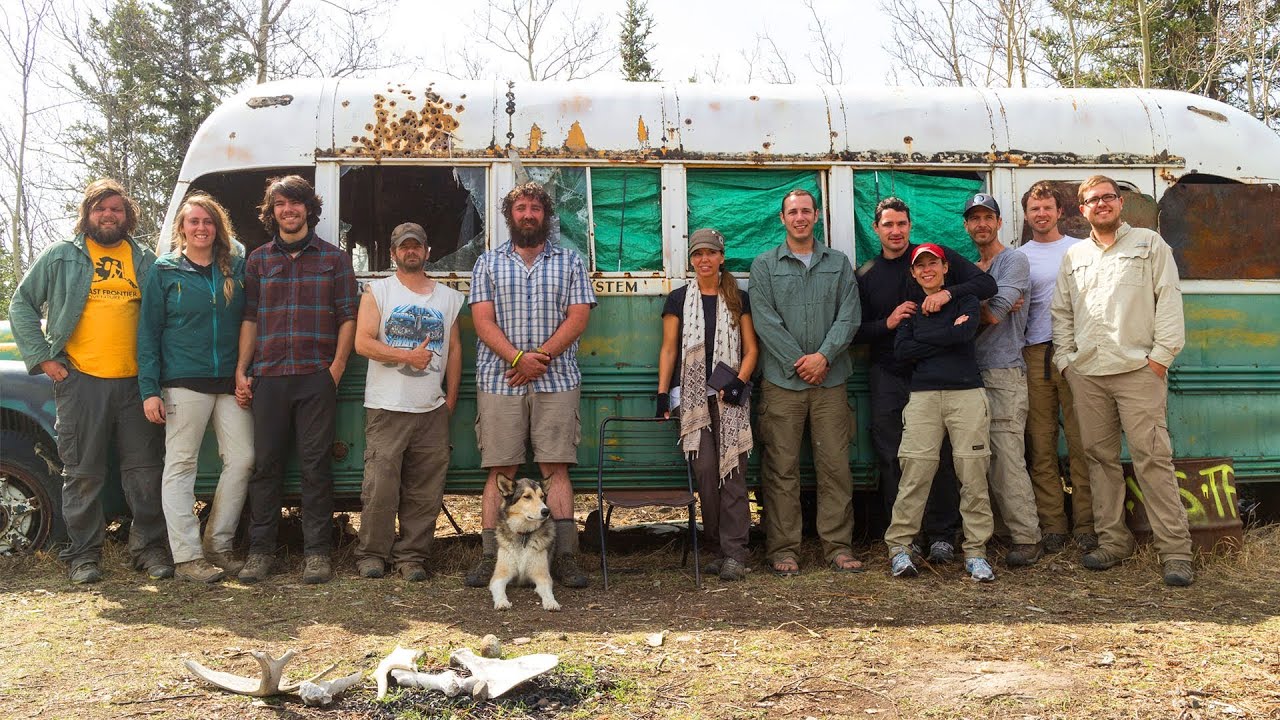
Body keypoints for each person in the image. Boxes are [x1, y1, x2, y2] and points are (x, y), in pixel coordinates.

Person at [9, 179, 171, 584]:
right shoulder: (62, 256)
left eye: (116, 208)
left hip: (137, 383)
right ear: (88, 214)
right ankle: (83, 556)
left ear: (127, 215)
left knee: (144, 471)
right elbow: (22, 303)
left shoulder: (145, 259)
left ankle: (149, 550)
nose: (109, 215)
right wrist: (43, 357)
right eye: (101, 208)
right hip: (81, 380)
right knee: (82, 472)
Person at [1051, 175, 1194, 587]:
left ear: (1120, 203)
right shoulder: (1075, 256)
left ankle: (1176, 552)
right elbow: (1062, 312)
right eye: (1092, 200)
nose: (1101, 204)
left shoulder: (1150, 245)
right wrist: (1066, 361)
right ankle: (1114, 542)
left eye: (1108, 197)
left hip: (1137, 372)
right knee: (1099, 460)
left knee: (1152, 459)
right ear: (1082, 210)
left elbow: (1168, 299)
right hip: (1089, 374)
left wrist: (1159, 360)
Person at [464, 181, 597, 590]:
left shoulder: (570, 262)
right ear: (509, 216)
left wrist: (540, 358)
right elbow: (482, 321)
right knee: (500, 469)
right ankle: (491, 558)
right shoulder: (487, 263)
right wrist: (519, 359)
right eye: (520, 208)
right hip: (499, 379)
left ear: (546, 216)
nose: (527, 214)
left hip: (557, 379)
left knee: (555, 468)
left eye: (535, 208)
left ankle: (565, 559)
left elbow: (577, 318)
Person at [854, 197, 997, 564]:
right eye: (888, 225)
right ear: (876, 229)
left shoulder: (932, 257)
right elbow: (856, 331)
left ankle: (942, 535)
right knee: (896, 459)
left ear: (910, 225)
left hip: (944, 380)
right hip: (890, 373)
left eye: (902, 223)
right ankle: (905, 541)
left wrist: (950, 292)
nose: (896, 231)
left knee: (947, 458)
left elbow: (986, 284)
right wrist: (887, 323)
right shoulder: (867, 273)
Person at [234, 175, 359, 585]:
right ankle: (260, 553)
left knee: (315, 468)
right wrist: (242, 368)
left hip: (314, 377)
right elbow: (250, 318)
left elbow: (348, 318)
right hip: (269, 376)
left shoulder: (334, 259)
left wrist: (335, 369)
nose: (289, 211)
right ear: (272, 212)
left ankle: (317, 554)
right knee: (265, 467)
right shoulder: (258, 260)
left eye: (296, 204)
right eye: (281, 205)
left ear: (309, 209)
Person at [137, 193, 252, 584]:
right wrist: (149, 389)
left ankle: (218, 545)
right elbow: (148, 333)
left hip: (228, 381)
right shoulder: (165, 271)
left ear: (218, 227)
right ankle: (186, 557)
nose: (201, 228)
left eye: (208, 221)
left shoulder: (235, 268)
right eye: (194, 222)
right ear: (182, 228)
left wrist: (244, 370)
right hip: (182, 381)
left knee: (242, 458)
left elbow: (249, 323)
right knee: (181, 465)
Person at [749, 189, 861, 576]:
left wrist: (824, 357)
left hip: (831, 382)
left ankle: (838, 546)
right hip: (782, 383)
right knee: (781, 468)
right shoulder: (764, 265)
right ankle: (783, 549)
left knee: (835, 466)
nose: (799, 218)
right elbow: (765, 321)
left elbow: (849, 315)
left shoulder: (839, 263)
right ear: (782, 219)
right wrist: (801, 363)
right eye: (792, 212)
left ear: (817, 216)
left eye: (806, 211)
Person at [353, 222, 464, 582]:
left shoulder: (448, 298)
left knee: (425, 490)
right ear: (394, 253)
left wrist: (450, 397)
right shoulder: (378, 291)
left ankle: (412, 557)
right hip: (387, 406)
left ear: (427, 251)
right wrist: (406, 357)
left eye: (416, 246)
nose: (410, 251)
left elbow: (455, 349)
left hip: (431, 408)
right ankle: (372, 555)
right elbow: (363, 343)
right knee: (380, 486)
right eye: (404, 246)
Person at [886, 244, 995, 582]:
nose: (927, 270)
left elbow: (966, 335)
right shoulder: (909, 309)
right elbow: (902, 352)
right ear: (914, 273)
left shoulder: (963, 300)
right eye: (921, 266)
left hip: (967, 395)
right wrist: (947, 334)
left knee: (973, 473)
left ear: (946, 267)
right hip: (923, 397)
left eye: (933, 264)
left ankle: (976, 553)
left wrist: (929, 336)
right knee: (915, 472)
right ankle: (900, 548)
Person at [656, 228, 758, 582]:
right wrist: (661, 393)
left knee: (733, 476)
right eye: (698, 254)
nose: (704, 260)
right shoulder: (678, 300)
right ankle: (716, 546)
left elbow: (751, 350)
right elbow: (669, 349)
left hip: (731, 399)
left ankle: (735, 553)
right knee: (706, 473)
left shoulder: (737, 297)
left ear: (721, 257)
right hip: (694, 399)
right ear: (692, 260)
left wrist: (738, 383)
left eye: (710, 253)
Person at [963, 193, 1042, 567]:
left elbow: (993, 314)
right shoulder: (971, 268)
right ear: (966, 225)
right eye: (974, 218)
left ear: (998, 222)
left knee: (1007, 455)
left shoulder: (1013, 260)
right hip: (969, 370)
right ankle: (996, 532)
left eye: (987, 217)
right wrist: (974, 305)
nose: (981, 224)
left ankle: (1026, 537)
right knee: (977, 457)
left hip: (1003, 369)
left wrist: (968, 309)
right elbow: (985, 308)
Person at [1019, 182, 1093, 553]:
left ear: (1060, 211)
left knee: (1081, 443)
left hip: (1076, 354)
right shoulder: (1020, 257)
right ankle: (1052, 526)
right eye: (1035, 209)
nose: (1042, 214)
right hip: (1034, 354)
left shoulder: (1080, 251)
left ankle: (1086, 525)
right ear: (1027, 215)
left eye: (1047, 207)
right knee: (1042, 444)